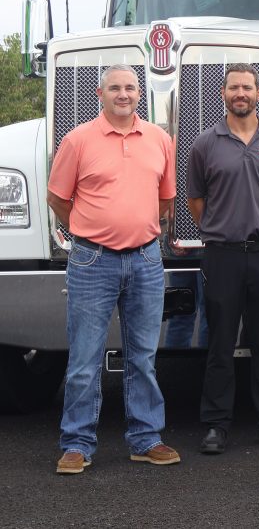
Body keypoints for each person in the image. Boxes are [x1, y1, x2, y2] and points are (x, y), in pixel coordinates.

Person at [47, 64, 180, 474]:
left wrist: (135, 228)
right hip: (92, 261)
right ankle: (77, 444)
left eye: (131, 88)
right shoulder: (77, 140)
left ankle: (146, 438)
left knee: (143, 356)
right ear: (100, 94)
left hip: (145, 259)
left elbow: (164, 200)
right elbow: (58, 199)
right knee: (85, 358)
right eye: (116, 88)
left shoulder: (159, 139)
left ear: (140, 94)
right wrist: (92, 230)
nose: (124, 94)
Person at [187, 63, 259, 454]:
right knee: (220, 342)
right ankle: (216, 425)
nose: (241, 93)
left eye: (248, 87)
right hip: (223, 256)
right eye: (234, 87)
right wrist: (225, 227)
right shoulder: (205, 144)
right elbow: (196, 202)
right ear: (223, 93)